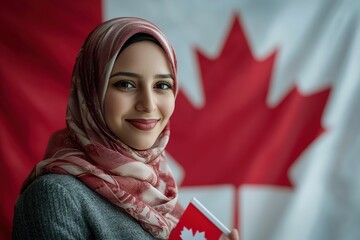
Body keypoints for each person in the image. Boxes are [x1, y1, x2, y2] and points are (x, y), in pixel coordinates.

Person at [12, 17, 239, 240]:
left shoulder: (160, 192)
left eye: (162, 85)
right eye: (126, 84)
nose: (148, 104)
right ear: (92, 90)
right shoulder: (55, 197)